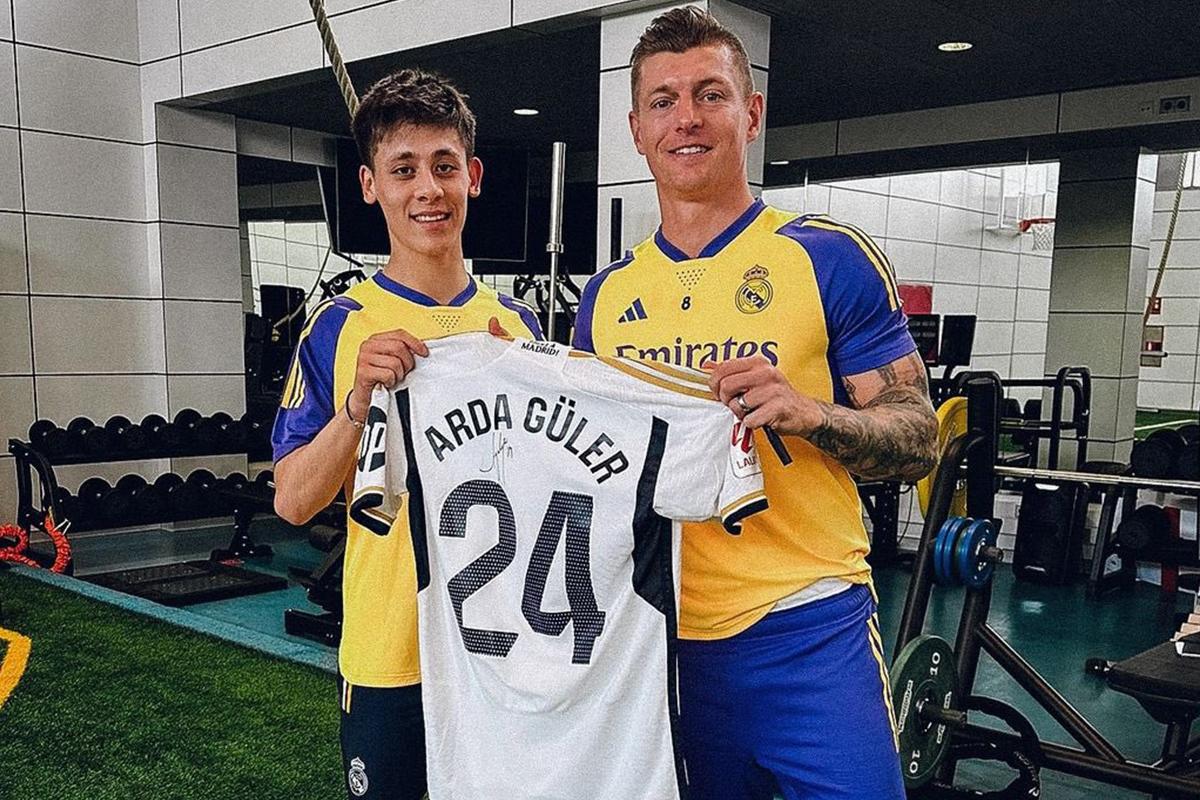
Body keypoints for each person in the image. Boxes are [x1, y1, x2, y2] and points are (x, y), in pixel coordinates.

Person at [572, 8, 938, 800]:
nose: (688, 118)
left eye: (711, 93)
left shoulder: (826, 257)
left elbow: (920, 439)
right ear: (637, 129)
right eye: (663, 101)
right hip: (660, 638)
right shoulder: (604, 298)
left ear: (752, 112)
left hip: (809, 626)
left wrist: (815, 414)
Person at [270, 68, 541, 800]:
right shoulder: (336, 327)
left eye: (444, 166)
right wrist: (356, 404)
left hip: (506, 649)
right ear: (370, 185)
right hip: (392, 652)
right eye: (404, 169)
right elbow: (293, 502)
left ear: (473, 177)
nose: (428, 189)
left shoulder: (520, 329)